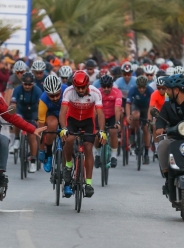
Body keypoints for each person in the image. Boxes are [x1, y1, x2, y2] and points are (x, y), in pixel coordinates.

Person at [59, 70, 106, 198]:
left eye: (83, 87)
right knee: (69, 140)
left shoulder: (95, 93)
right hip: (72, 120)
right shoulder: (68, 91)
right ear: (74, 86)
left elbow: (100, 114)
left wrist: (101, 131)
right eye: (78, 88)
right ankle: (68, 166)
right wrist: (63, 128)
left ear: (87, 85)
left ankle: (88, 183)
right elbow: (63, 113)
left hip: (88, 121)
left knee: (88, 148)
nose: (80, 90)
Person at [11, 72, 43, 172]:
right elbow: (13, 104)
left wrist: (38, 118)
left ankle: (33, 160)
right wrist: (12, 111)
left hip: (33, 112)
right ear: (22, 83)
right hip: (21, 110)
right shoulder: (17, 90)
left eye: (30, 84)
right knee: (16, 119)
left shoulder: (37, 90)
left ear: (33, 84)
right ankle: (16, 139)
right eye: (25, 84)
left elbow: (41, 106)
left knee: (32, 135)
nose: (28, 86)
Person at [37, 75, 66, 172]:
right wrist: (41, 149)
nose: (55, 98)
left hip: (65, 112)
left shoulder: (67, 91)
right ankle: (49, 153)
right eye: (51, 96)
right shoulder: (43, 99)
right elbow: (41, 128)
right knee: (52, 125)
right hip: (51, 113)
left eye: (57, 94)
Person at [126, 75, 154, 164]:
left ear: (146, 86)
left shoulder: (150, 90)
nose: (141, 89)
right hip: (136, 106)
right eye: (140, 87)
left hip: (146, 108)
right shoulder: (133, 90)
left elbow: (153, 105)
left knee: (146, 129)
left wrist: (150, 117)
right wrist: (128, 115)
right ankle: (133, 134)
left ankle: (146, 153)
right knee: (135, 115)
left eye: (143, 87)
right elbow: (128, 104)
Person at [96, 74, 122, 168]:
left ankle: (114, 156)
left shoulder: (117, 92)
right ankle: (98, 155)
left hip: (112, 116)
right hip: (101, 115)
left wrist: (117, 122)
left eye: (108, 87)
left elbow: (117, 108)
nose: (106, 89)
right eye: (104, 87)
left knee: (113, 131)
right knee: (97, 132)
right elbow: (95, 109)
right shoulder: (98, 92)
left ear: (112, 85)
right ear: (101, 86)